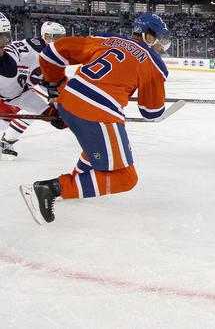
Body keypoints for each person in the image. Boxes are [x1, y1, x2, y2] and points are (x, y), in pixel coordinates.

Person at [19, 13, 170, 224]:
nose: (161, 48)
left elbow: (50, 53)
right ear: (149, 36)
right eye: (160, 41)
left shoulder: (105, 40)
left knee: (95, 147)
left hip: (67, 99)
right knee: (126, 177)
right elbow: (151, 112)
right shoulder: (154, 64)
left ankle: (78, 182)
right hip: (98, 111)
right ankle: (52, 188)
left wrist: (55, 86)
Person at [1, 18, 68, 160]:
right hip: (11, 93)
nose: (61, 42)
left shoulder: (43, 51)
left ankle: (7, 141)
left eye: (62, 38)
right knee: (5, 119)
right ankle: (6, 141)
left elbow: (49, 81)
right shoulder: (36, 52)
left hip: (20, 93)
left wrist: (54, 100)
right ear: (47, 36)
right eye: (57, 38)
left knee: (57, 118)